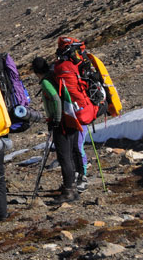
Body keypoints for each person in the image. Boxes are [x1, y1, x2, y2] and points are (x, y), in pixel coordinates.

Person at [54, 36, 98, 199]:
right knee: (77, 145)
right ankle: (78, 178)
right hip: (85, 108)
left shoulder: (63, 67)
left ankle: (80, 178)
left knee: (76, 147)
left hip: (75, 112)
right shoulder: (80, 65)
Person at [32, 55, 79, 202]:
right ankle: (73, 187)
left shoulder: (46, 82)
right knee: (70, 155)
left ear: (36, 72)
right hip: (71, 118)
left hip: (62, 123)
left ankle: (68, 191)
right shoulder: (55, 76)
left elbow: (56, 100)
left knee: (64, 157)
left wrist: (56, 120)